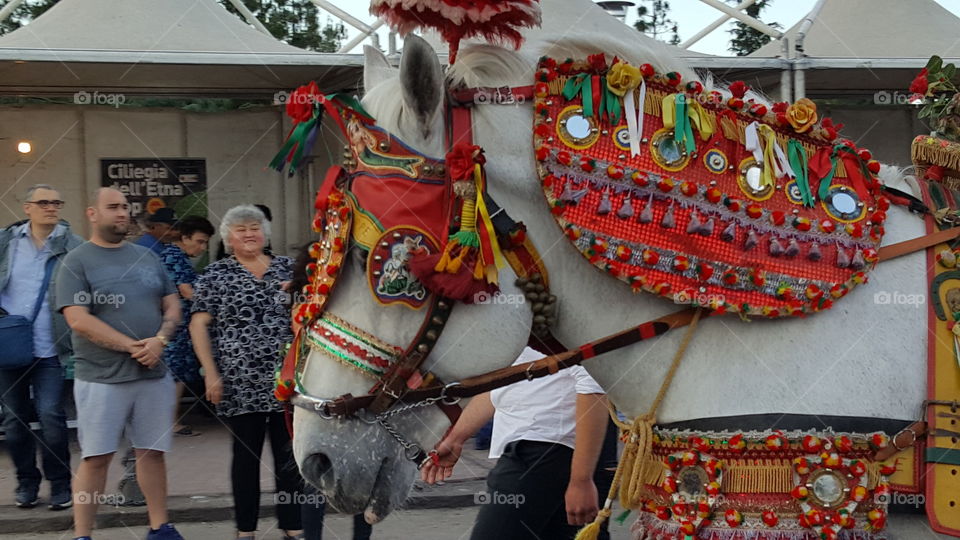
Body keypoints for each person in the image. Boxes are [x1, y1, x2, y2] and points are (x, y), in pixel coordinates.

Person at [56, 187, 185, 540]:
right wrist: (133, 346)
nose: (122, 213)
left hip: (153, 373)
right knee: (96, 458)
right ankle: (83, 534)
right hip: (101, 377)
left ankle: (160, 528)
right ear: (92, 214)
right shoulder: (76, 260)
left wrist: (160, 340)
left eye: (126, 207)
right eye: (112, 207)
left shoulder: (148, 257)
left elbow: (172, 303)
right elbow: (77, 318)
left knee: (152, 453)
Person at [189, 205, 303, 540]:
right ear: (228, 238)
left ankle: (293, 527)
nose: (249, 233)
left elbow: (306, 315)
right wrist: (210, 373)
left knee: (289, 458)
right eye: (240, 229)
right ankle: (246, 530)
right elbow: (198, 325)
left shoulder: (287, 269)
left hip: (287, 379)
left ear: (265, 233)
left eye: (255, 227)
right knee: (245, 459)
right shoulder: (215, 275)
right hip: (238, 383)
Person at [421, 346, 611, 540]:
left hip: (543, 448)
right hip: (535, 449)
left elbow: (593, 384)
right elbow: (500, 387)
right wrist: (456, 439)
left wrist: (581, 479)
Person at [0, 184, 83, 510]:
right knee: (14, 421)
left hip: (51, 348)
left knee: (51, 416)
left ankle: (60, 484)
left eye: (56, 201)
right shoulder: (6, 242)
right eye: (44, 202)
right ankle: (26, 483)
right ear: (27, 208)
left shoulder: (73, 246)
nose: (51, 207)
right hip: (9, 346)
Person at [158, 215, 214, 435]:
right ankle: (170, 423)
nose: (202, 247)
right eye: (199, 241)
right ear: (184, 237)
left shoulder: (177, 256)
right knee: (175, 375)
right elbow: (187, 291)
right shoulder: (174, 257)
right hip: (176, 326)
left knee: (177, 375)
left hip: (178, 325)